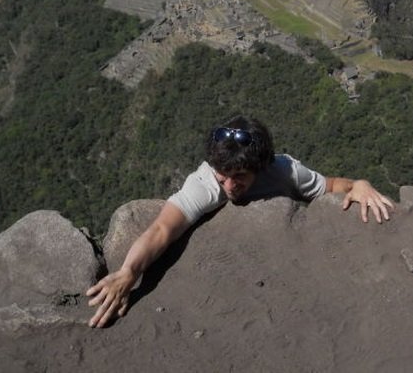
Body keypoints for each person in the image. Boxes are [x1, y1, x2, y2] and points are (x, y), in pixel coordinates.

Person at [86, 116, 394, 328]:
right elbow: (162, 228)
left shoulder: (284, 169)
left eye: (239, 178)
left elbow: (332, 185)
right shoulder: (206, 184)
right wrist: (128, 272)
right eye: (224, 177)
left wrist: (359, 185)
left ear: (260, 167)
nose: (230, 186)